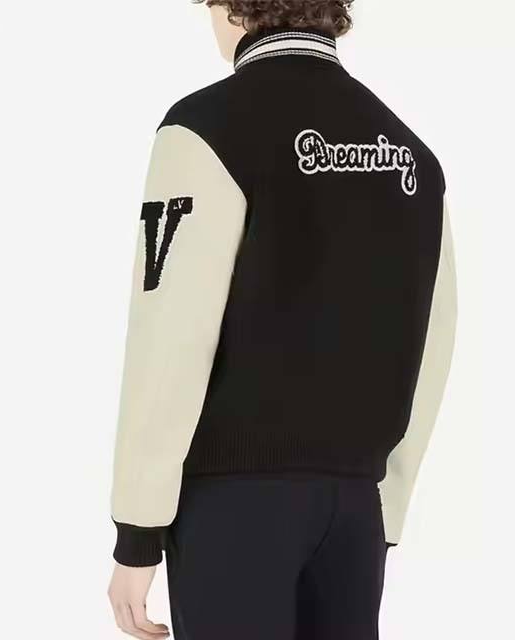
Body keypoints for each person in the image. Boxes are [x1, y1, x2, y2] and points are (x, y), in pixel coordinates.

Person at [107, 1, 458, 639]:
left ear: (233, 7)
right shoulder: (412, 155)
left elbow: (171, 335)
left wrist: (138, 529)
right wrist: (387, 502)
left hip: (232, 504)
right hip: (355, 509)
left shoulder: (204, 130)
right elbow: (432, 340)